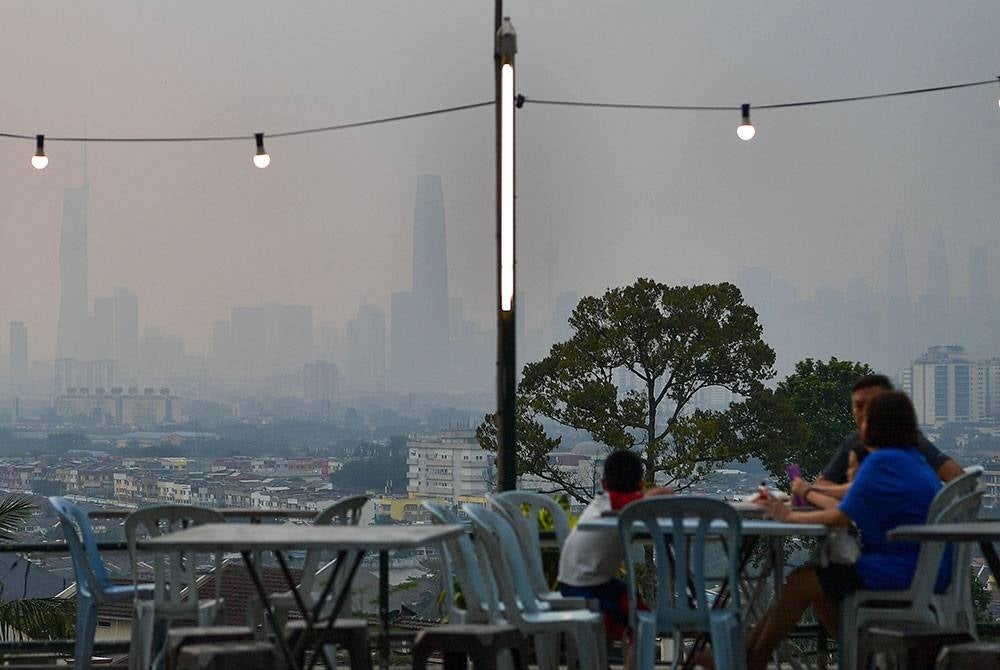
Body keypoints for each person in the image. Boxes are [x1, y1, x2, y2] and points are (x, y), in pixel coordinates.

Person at [748, 391, 950, 670]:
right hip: (925, 566)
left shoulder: (882, 461)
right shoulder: (910, 459)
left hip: (900, 568)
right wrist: (810, 490)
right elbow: (853, 493)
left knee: (800, 583)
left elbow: (840, 517)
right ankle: (750, 656)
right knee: (818, 591)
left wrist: (790, 513)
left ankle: (752, 659)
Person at [557, 450, 671, 668]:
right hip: (588, 587)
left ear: (603, 483)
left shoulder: (602, 502)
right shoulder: (618, 502)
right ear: (640, 484)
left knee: (633, 614)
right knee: (644, 624)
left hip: (579, 582)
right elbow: (665, 492)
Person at [791, 374, 962, 505]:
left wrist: (806, 493)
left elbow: (959, 480)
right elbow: (830, 486)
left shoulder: (905, 446)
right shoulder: (855, 442)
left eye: (875, 403)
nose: (867, 411)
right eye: (859, 406)